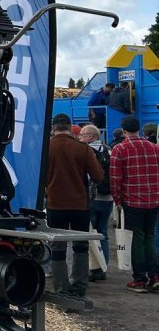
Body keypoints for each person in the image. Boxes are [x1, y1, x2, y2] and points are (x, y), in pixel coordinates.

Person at [46, 113, 103, 297]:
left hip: (55, 204)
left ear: (53, 128)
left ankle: (61, 288)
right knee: (81, 247)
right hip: (79, 205)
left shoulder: (46, 148)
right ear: (70, 128)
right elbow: (98, 177)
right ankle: (79, 287)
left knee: (58, 248)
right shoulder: (82, 148)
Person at [109, 115, 159, 292]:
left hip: (132, 201)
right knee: (149, 237)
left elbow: (115, 179)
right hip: (154, 200)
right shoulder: (154, 148)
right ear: (139, 128)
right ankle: (155, 275)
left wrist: (118, 201)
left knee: (136, 239)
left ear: (123, 131)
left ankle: (139, 279)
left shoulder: (120, 149)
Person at [79, 124, 112, 281]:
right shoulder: (109, 150)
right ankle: (103, 267)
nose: (80, 137)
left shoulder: (85, 151)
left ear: (91, 136)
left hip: (91, 198)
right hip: (107, 198)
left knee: (88, 234)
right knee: (103, 233)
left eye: (82, 134)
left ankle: (91, 268)